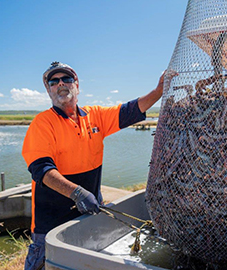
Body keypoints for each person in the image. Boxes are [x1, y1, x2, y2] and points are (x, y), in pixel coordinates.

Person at [22, 61, 171, 270]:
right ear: (48, 89)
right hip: (50, 225)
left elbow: (130, 111)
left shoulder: (94, 116)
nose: (60, 84)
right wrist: (77, 193)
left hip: (86, 219)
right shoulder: (43, 123)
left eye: (66, 78)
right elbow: (43, 170)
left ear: (77, 85)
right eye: (53, 81)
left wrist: (158, 91)